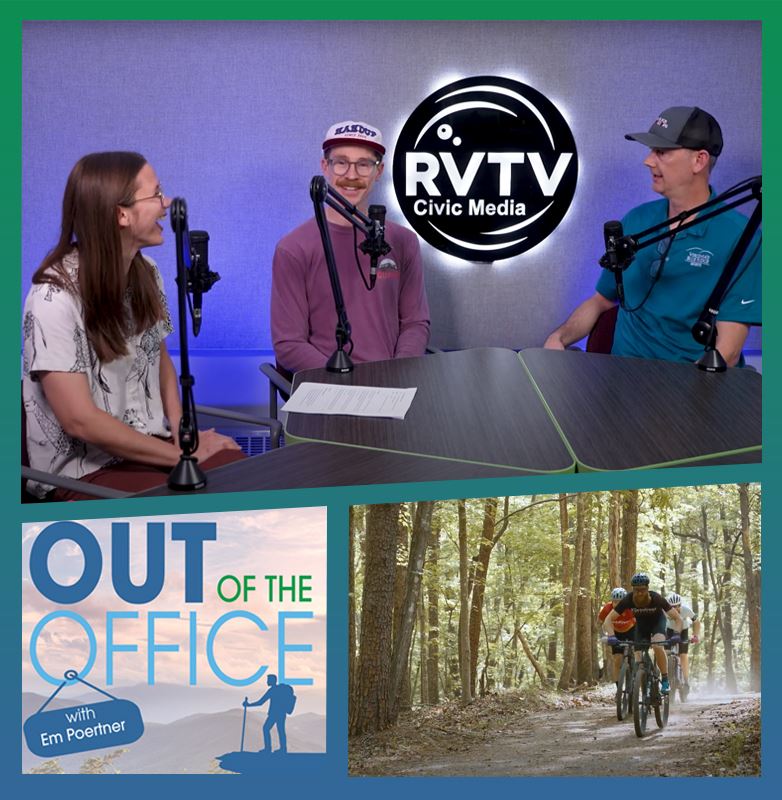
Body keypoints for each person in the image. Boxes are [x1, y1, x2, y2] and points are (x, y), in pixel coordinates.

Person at [22, 151, 242, 500]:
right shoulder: (53, 297)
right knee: (202, 499)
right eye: (155, 194)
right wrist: (182, 457)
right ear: (120, 214)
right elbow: (78, 420)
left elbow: (160, 361)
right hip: (83, 472)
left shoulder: (146, 272)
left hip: (148, 445)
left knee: (236, 470)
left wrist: (185, 434)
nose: (166, 202)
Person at [544, 106, 760, 366]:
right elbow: (601, 300)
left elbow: (729, 349)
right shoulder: (637, 220)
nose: (648, 160)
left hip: (690, 388)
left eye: (662, 152)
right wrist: (559, 338)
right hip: (621, 379)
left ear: (699, 160)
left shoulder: (742, 237)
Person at [270, 120, 430, 374]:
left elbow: (415, 323)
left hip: (391, 381)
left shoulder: (403, 242)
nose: (352, 175)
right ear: (325, 166)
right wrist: (347, 381)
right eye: (341, 162)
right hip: (327, 385)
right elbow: (289, 344)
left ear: (379, 171)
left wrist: (396, 372)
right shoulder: (293, 249)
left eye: (364, 164)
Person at [604, 573, 682, 694]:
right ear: (633, 589)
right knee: (638, 659)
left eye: (643, 589)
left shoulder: (656, 598)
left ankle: (665, 680)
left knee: (657, 645)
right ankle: (644, 691)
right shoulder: (628, 600)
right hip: (641, 626)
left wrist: (676, 633)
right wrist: (611, 635)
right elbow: (608, 620)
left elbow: (678, 619)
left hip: (657, 623)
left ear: (647, 588)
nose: (640, 592)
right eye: (636, 589)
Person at [243, 674, 295, 753]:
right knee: (280, 730)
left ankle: (268, 748)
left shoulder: (272, 690)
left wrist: (249, 705)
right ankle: (283, 749)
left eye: (268, 680)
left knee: (266, 728)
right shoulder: (278, 690)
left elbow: (261, 702)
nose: (267, 681)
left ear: (272, 681)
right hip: (281, 714)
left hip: (274, 714)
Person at [597, 587, 635, 683]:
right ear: (612, 601)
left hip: (631, 630)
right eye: (615, 602)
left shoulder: (632, 608)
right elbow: (599, 623)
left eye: (620, 602)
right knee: (617, 659)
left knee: (637, 653)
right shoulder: (607, 609)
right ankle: (618, 686)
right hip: (616, 633)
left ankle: (638, 675)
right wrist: (603, 635)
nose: (617, 605)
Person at [666, 592, 702, 686]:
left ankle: (686, 680)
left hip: (683, 631)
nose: (675, 609)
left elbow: (696, 621)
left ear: (680, 605)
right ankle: (667, 676)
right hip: (670, 630)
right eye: (672, 606)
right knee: (666, 653)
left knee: (683, 655)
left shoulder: (686, 610)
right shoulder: (665, 611)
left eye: (677, 606)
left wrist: (695, 635)